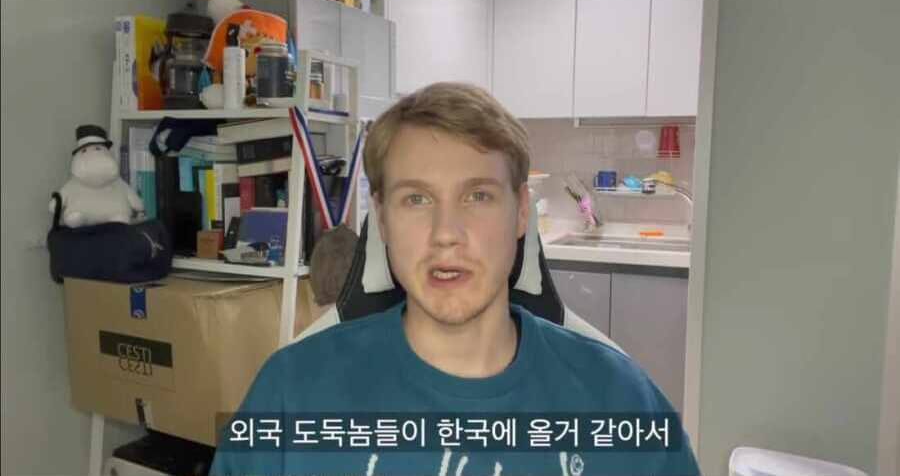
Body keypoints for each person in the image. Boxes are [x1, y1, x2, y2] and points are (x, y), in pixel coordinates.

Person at [211, 82, 699, 475]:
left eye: (478, 196)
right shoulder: (290, 396)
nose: (446, 233)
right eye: (417, 199)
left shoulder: (623, 406)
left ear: (521, 212)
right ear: (382, 218)